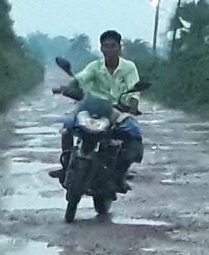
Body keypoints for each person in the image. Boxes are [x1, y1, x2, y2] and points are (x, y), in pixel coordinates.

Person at [54, 30, 144, 183]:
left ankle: (120, 174)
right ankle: (66, 165)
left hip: (118, 110)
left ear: (119, 48)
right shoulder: (94, 66)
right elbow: (81, 78)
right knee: (68, 125)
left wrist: (133, 104)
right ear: (101, 48)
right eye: (106, 46)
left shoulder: (129, 68)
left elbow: (134, 88)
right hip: (93, 107)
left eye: (112, 46)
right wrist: (68, 87)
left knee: (133, 133)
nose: (109, 49)